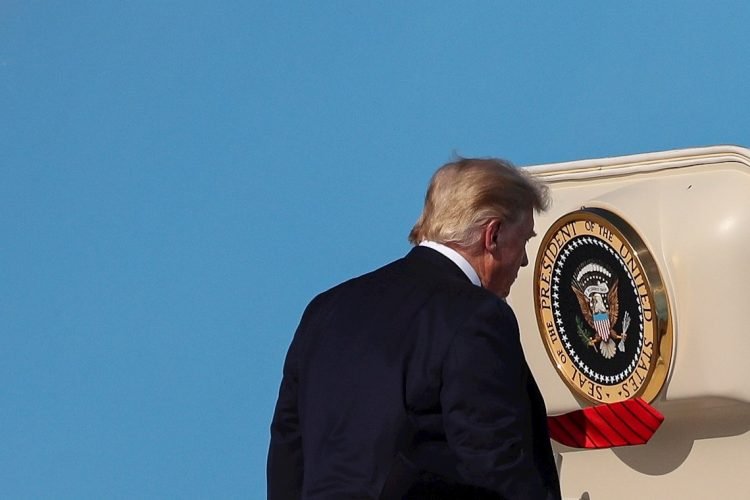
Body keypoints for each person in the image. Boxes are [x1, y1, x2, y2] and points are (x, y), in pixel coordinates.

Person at [268, 157, 561, 499]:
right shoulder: (476, 315)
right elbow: (494, 458)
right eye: (524, 240)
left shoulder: (326, 310)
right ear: (492, 235)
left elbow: (288, 452)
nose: (524, 260)